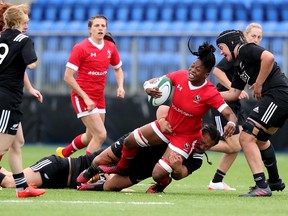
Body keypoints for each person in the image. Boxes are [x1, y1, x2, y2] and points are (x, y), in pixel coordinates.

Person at [86, 41, 237, 191]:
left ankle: (162, 182)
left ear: (206, 74)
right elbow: (154, 83)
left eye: (197, 70)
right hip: (167, 127)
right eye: (192, 66)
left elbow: (229, 114)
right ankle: (120, 168)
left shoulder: (210, 92)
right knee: (130, 140)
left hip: (184, 137)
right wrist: (148, 87)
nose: (191, 70)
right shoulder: (180, 75)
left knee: (158, 174)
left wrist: (231, 123)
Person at [0, 120, 221, 192]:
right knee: (10, 182)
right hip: (62, 167)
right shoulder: (160, 137)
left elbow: (181, 173)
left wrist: (175, 168)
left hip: (67, 184)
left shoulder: (195, 158)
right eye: (200, 141)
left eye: (205, 146)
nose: (200, 146)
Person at [207, 23, 284, 191]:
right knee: (261, 140)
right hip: (276, 98)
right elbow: (234, 93)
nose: (220, 52)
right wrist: (206, 96)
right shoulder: (240, 65)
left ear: (232, 44)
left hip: (278, 96)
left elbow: (269, 57)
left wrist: (259, 84)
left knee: (246, 136)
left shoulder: (244, 49)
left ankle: (261, 186)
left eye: (221, 47)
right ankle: (275, 182)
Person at [56, 15, 125, 158]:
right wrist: (86, 98)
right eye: (96, 26)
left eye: (103, 26)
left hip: (99, 97)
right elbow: (67, 77)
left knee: (90, 136)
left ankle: (64, 153)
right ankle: (86, 170)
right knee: (100, 135)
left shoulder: (110, 47)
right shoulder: (81, 48)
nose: (100, 28)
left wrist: (121, 86)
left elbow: (118, 68)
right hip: (82, 96)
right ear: (89, 29)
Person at [0, 4, 45, 198]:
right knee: (2, 146)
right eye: (25, 22)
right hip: (7, 99)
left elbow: (16, 65)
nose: (27, 25)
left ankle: (21, 188)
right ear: (17, 22)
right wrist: (34, 60)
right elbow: (31, 64)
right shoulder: (24, 40)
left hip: (8, 96)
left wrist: (29, 88)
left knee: (18, 143)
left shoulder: (2, 38)